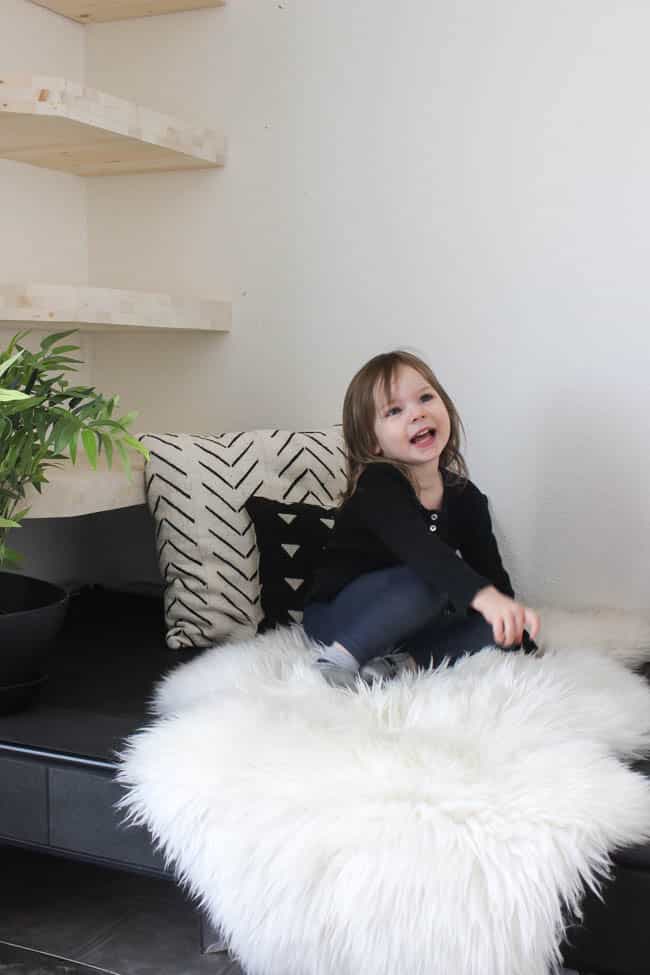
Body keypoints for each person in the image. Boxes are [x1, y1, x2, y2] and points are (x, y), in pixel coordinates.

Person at [303, 350, 541, 689]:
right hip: (339, 615)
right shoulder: (379, 483)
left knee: (496, 624)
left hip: (412, 619)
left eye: (425, 397)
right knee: (432, 581)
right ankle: (336, 662)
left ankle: (401, 665)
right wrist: (483, 597)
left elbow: (491, 578)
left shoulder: (466, 498)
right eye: (395, 410)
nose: (417, 413)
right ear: (374, 443)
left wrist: (515, 628)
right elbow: (425, 554)